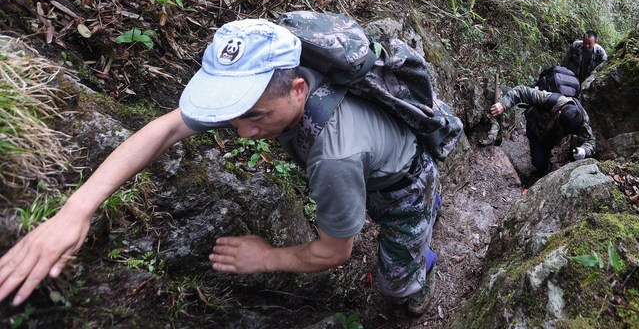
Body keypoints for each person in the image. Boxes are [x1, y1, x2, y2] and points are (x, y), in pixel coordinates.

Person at [0, 19, 441, 316]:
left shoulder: (335, 156)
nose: (244, 133)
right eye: (235, 115)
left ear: (298, 89)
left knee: (396, 285)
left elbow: (335, 252)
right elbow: (166, 129)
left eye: (256, 117)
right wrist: (76, 211)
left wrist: (266, 257)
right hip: (378, 155)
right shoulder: (274, 63)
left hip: (403, 183)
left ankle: (421, 261)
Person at [489, 85, 596, 177]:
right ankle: (542, 169)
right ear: (559, 113)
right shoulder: (548, 99)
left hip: (552, 139)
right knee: (538, 161)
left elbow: (590, 142)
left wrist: (583, 151)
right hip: (534, 127)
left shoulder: (581, 121)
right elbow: (521, 91)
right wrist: (503, 104)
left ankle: (545, 170)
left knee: (544, 160)